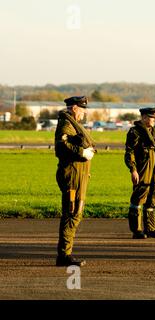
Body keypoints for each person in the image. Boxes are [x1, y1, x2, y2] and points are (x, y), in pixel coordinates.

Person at [55, 96, 95, 266]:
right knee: (71, 213)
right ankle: (64, 256)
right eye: (82, 108)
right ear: (74, 108)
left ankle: (65, 253)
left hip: (79, 175)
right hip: (72, 175)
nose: (84, 112)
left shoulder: (73, 124)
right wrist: (82, 153)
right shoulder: (66, 124)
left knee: (75, 213)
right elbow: (62, 146)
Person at [124, 107, 155, 239]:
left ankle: (150, 229)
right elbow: (129, 152)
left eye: (154, 117)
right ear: (143, 117)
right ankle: (137, 230)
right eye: (151, 117)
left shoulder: (154, 133)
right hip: (143, 171)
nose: (154, 120)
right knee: (137, 201)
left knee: (151, 201)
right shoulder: (135, 132)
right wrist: (133, 170)